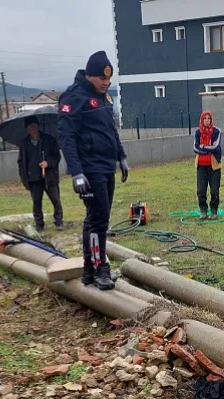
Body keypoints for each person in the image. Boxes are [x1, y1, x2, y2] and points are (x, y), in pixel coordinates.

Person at [57, 50, 129, 291]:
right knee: (98, 221)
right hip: (89, 170)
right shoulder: (73, 98)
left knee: (95, 220)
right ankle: (100, 268)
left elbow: (111, 130)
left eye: (109, 80)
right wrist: (76, 172)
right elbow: (66, 137)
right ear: (90, 76)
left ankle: (89, 268)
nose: (106, 83)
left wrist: (121, 156)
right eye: (102, 80)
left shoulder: (105, 98)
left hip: (106, 166)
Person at [17, 115, 64, 231]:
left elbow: (57, 156)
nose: (32, 128)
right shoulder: (25, 143)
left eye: (34, 125)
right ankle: (39, 224)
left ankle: (58, 222)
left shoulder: (49, 139)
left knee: (56, 200)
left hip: (49, 177)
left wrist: (48, 163)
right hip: (33, 178)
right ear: (26, 128)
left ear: (38, 126)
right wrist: (24, 178)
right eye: (29, 126)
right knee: (36, 202)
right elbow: (21, 162)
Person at [193, 110, 222, 221]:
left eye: (208, 119)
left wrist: (203, 147)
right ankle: (203, 211)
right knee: (201, 190)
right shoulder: (197, 132)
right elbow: (195, 148)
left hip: (214, 166)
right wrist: (208, 148)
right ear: (202, 120)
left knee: (214, 190)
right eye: (205, 119)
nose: (207, 121)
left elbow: (216, 147)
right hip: (201, 166)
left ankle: (214, 212)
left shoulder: (217, 131)